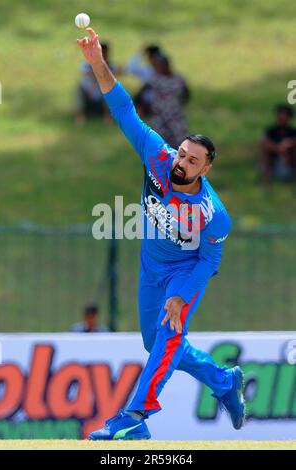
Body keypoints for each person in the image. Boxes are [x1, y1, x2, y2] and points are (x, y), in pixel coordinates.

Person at [77, 28, 245, 441]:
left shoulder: (213, 214)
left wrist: (181, 295)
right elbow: (123, 110)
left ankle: (135, 417)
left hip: (182, 273)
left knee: (169, 337)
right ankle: (224, 381)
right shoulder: (158, 156)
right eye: (182, 153)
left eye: (191, 161)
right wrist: (98, 62)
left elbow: (209, 260)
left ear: (205, 170)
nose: (181, 162)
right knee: (157, 344)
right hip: (151, 266)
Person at [145, 53, 190, 148]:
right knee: (160, 138)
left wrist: (181, 102)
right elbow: (142, 94)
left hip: (175, 113)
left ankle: (181, 158)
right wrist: (147, 108)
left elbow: (186, 93)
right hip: (158, 113)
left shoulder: (178, 78)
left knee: (180, 136)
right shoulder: (154, 79)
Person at [76, 43, 117, 124]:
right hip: (88, 96)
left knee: (110, 89)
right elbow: (89, 74)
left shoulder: (111, 66)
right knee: (79, 88)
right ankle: (80, 115)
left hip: (103, 98)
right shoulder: (86, 65)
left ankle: (107, 115)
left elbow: (119, 71)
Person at [260, 104, 296, 185]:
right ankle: (266, 181)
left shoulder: (293, 132)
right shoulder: (270, 131)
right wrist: (279, 148)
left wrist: (287, 145)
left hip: (288, 162)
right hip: (273, 162)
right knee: (266, 150)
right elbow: (264, 144)